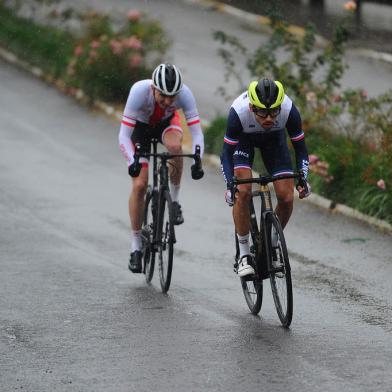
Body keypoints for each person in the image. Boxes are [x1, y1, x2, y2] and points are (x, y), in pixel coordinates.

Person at [118, 63, 204, 273]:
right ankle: (136, 246)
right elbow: (124, 136)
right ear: (153, 88)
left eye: (172, 97)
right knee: (139, 185)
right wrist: (133, 162)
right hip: (141, 130)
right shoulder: (139, 91)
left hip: (166, 125)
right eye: (163, 95)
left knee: (175, 147)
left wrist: (197, 161)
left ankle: (174, 202)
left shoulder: (185, 94)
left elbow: (197, 134)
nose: (167, 101)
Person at [220, 78, 311, 277]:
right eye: (262, 112)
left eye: (273, 112)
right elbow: (226, 153)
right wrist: (230, 185)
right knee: (242, 192)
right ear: (252, 107)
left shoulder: (289, 110)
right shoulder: (238, 112)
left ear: (280, 107)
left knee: (286, 198)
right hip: (244, 141)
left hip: (274, 141)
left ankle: (271, 245)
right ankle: (244, 255)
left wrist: (303, 177)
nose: (269, 118)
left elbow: (301, 148)